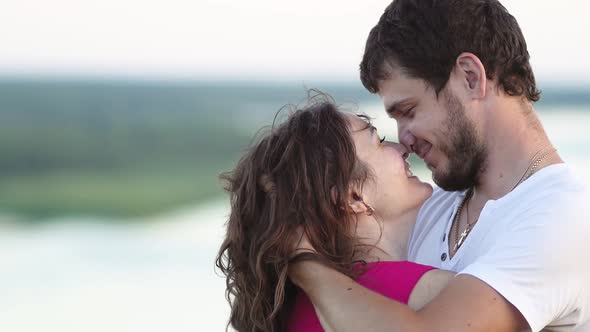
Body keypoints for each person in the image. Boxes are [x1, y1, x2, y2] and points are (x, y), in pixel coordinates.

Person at [289, 1, 590, 331]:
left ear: (470, 77)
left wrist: (307, 267)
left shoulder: (561, 215)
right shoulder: (433, 206)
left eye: (409, 111)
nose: (404, 139)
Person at [215, 97, 454, 332]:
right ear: (353, 198)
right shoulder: (419, 288)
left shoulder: (297, 308)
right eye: (379, 142)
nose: (402, 148)